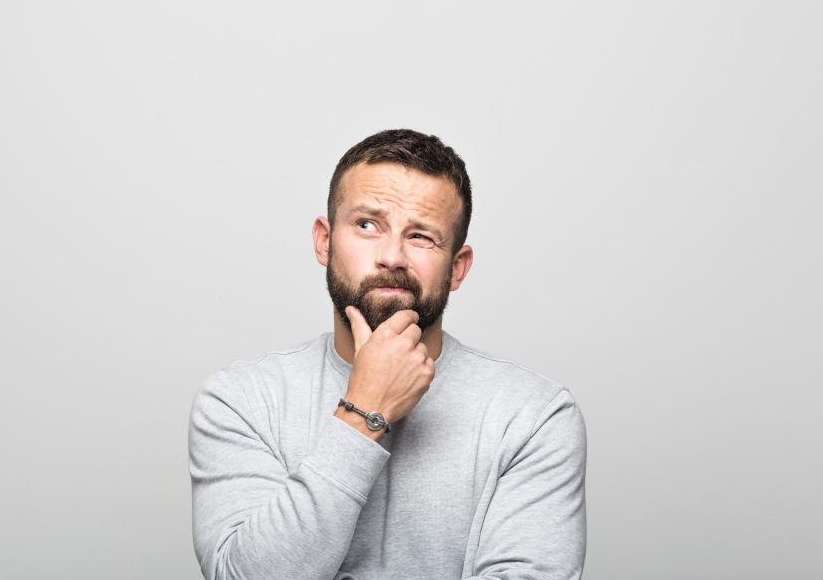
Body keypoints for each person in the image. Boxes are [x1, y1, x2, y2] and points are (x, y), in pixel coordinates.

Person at [189, 129, 587, 580]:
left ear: (457, 267)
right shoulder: (240, 400)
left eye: (420, 236)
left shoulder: (534, 415)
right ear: (324, 241)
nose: (392, 256)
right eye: (367, 225)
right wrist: (365, 411)